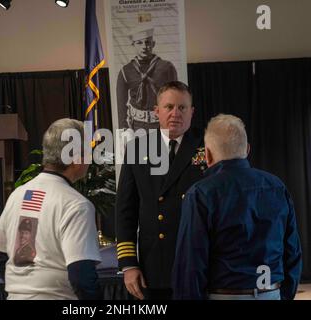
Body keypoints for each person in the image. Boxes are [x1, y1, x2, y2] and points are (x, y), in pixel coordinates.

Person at [172, 114, 302, 300]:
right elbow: (293, 253)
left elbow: (191, 267)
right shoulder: (276, 187)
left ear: (207, 154)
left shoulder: (200, 194)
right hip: (272, 293)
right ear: (247, 149)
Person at [0, 118, 102, 300]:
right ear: (76, 158)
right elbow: (82, 277)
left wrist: (24, 287)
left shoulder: (18, 195)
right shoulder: (76, 205)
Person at [116, 81, 205, 300]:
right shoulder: (137, 149)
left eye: (182, 107)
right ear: (157, 111)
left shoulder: (207, 146)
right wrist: (128, 264)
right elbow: (126, 210)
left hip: (198, 260)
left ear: (192, 112)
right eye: (169, 107)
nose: (176, 113)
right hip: (154, 264)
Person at [117, 26, 178, 131]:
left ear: (153, 44)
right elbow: (121, 104)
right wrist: (124, 129)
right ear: (133, 45)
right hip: (136, 126)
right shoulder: (125, 71)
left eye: (147, 42)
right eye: (139, 43)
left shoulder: (167, 68)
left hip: (161, 124)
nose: (144, 46)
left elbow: (175, 98)